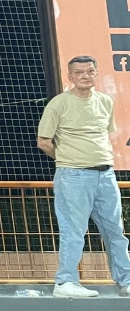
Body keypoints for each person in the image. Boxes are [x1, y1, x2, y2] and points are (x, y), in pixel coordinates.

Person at [36, 55, 130, 298]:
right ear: (70, 77)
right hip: (73, 175)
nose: (85, 76)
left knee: (115, 231)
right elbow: (44, 142)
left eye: (89, 71)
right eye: (79, 72)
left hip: (106, 174)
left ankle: (126, 282)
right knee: (73, 230)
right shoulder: (58, 104)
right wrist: (68, 160)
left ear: (97, 74)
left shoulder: (106, 101)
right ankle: (65, 283)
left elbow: (103, 135)